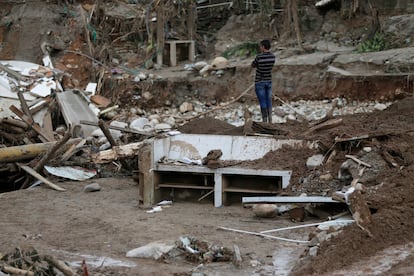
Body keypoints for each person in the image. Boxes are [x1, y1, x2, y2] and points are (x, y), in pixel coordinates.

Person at [251, 39, 276, 123]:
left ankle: (264, 120)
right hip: (268, 80)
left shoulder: (259, 57)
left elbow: (253, 65)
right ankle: (270, 119)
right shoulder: (273, 57)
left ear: (263, 47)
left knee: (262, 101)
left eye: (261, 46)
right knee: (269, 100)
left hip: (259, 81)